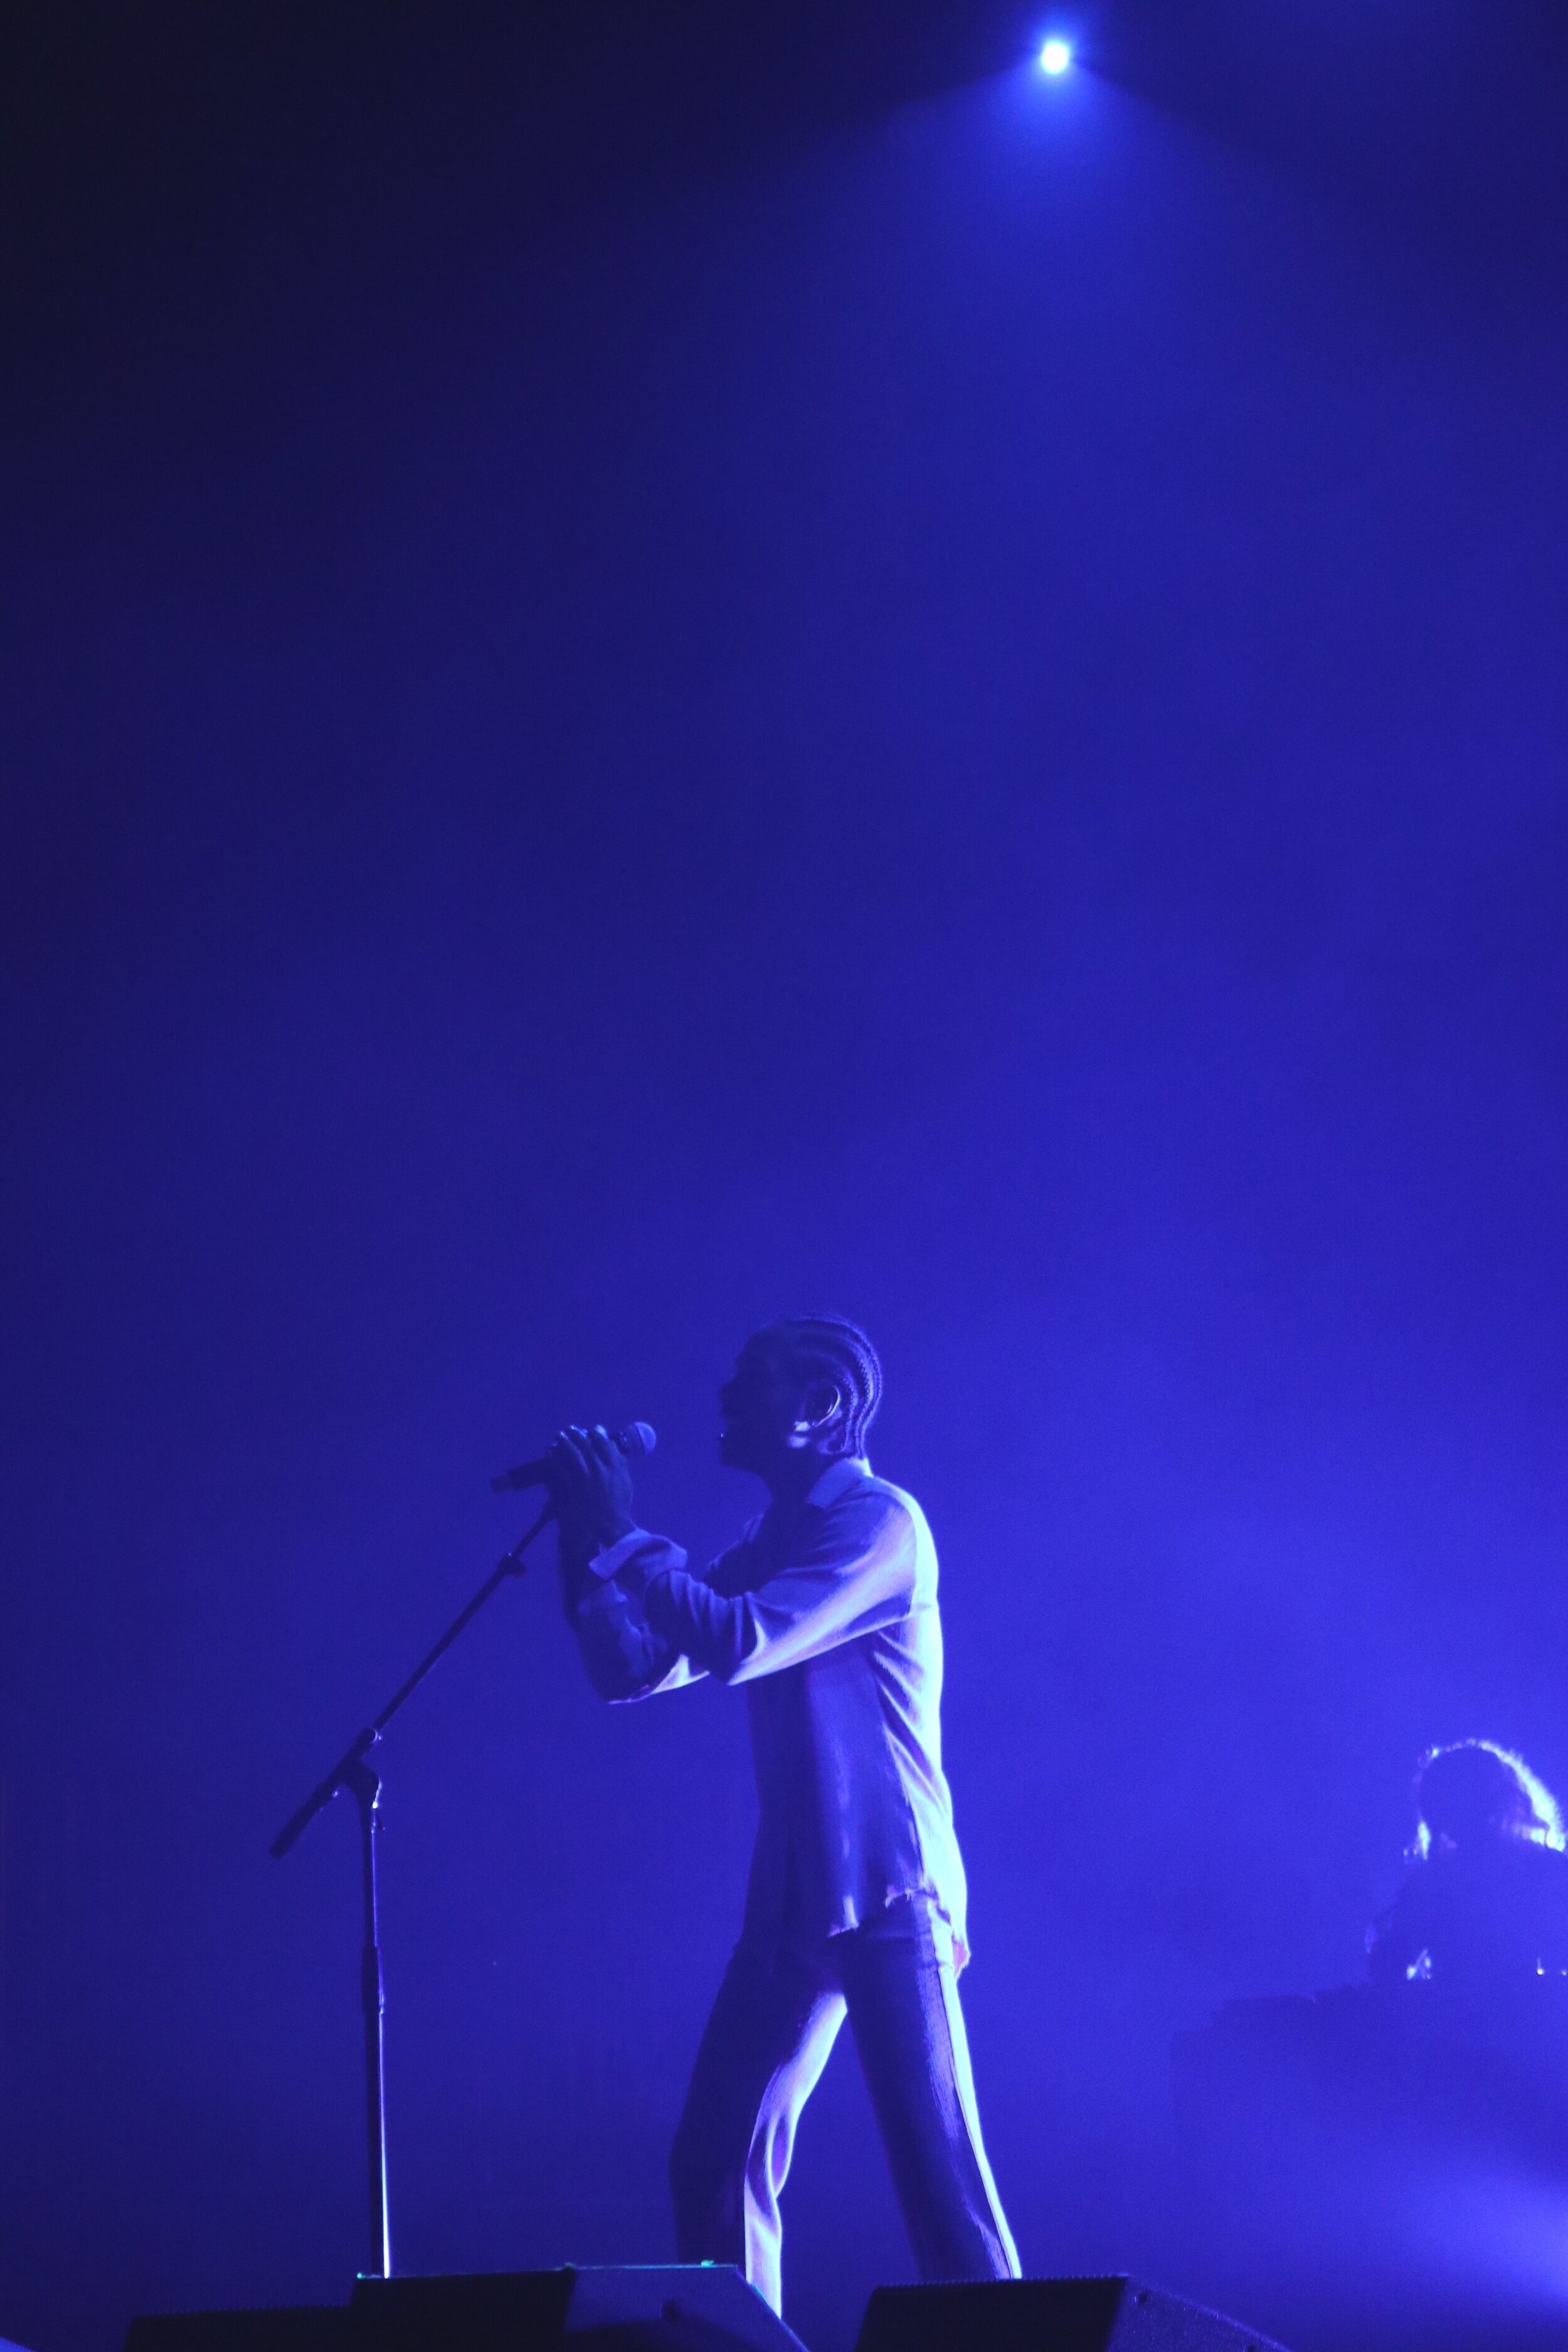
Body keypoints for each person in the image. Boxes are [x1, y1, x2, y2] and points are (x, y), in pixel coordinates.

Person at [549, 1315, 1019, 2316]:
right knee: (712, 2161)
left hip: (892, 1885)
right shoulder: (771, 1540)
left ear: (818, 1406)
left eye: (746, 1380)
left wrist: (626, 1533)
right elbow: (633, 1668)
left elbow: (742, 1640)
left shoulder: (881, 1522)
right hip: (792, 1898)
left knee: (942, 2188)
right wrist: (582, 1543)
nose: (722, 1397)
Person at [1367, 1738, 1568, 1990]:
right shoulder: (1543, 1866)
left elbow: (1387, 1963)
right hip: (1515, 2018)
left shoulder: (1435, 1881)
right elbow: (1389, 1962)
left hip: (1460, 2019)